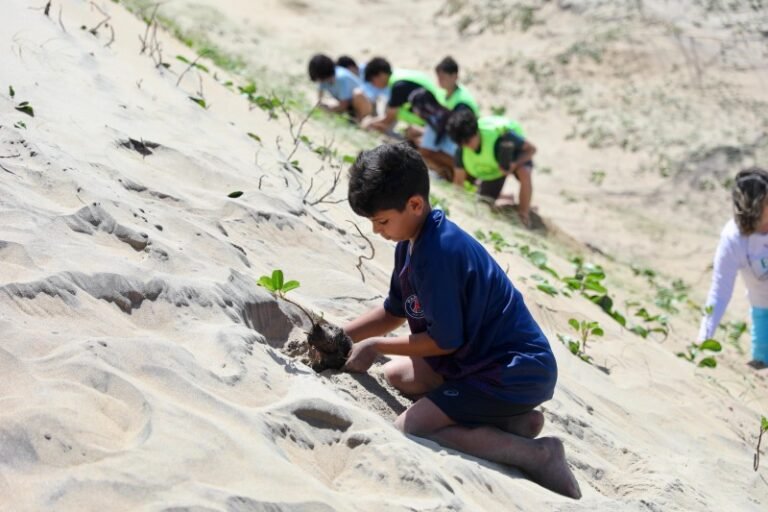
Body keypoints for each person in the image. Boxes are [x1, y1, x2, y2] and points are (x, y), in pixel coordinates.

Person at [343, 143, 581, 499]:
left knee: (413, 426)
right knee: (397, 375)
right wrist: (342, 335)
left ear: (414, 204)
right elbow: (394, 311)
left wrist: (375, 346)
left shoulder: (438, 254)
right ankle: (513, 423)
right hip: (479, 361)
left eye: (382, 221)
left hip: (512, 372)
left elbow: (445, 341)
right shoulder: (411, 242)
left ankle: (538, 453)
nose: (378, 231)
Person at [698, 167, 768, 368]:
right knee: (761, 363)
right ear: (753, 207)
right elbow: (720, 291)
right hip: (763, 310)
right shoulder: (733, 239)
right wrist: (705, 336)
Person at [447, 110, 537, 227]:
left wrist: (514, 164)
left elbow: (531, 149)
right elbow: (458, 183)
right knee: (484, 205)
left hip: (512, 157)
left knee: (524, 172)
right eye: (461, 144)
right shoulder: (461, 150)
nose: (466, 146)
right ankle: (508, 200)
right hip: (493, 171)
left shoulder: (502, 136)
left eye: (468, 141)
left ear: (476, 132)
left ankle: (524, 215)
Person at [417, 56, 480, 180]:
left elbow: (460, 131)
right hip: (447, 136)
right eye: (438, 77)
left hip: (461, 140)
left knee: (426, 152)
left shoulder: (463, 101)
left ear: (454, 76)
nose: (440, 81)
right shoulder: (442, 93)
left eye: (443, 77)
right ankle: (442, 171)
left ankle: (452, 174)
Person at [360, 57, 445, 136]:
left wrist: (369, 123)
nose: (374, 85)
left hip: (437, 121)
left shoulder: (398, 85)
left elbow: (389, 118)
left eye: (373, 81)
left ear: (381, 75)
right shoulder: (399, 75)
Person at [308, 54, 372, 122]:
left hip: (365, 103)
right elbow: (319, 100)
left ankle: (361, 120)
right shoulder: (324, 81)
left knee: (357, 93)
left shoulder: (341, 78)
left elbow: (344, 105)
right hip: (349, 105)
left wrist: (329, 110)